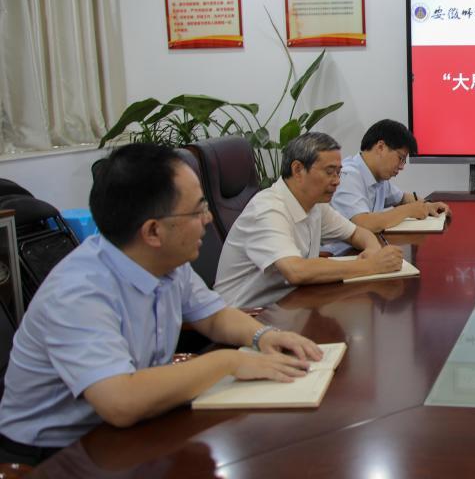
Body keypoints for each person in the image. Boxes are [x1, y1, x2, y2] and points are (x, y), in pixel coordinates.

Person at [0, 144, 322, 464]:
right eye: (197, 211)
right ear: (153, 231)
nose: (208, 218)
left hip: (125, 430)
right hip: (54, 454)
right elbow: (120, 402)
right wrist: (229, 362)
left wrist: (263, 336)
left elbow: (215, 317)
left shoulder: (165, 260)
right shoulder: (78, 292)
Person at [214, 132, 404, 309]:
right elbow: (296, 271)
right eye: (329, 172)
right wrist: (370, 266)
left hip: (289, 305)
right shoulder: (268, 210)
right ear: (298, 170)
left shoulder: (315, 204)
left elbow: (357, 233)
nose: (337, 181)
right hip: (247, 316)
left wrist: (372, 250)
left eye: (338, 172)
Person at [330, 119, 449, 233]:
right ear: (381, 147)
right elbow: (364, 223)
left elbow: (402, 198)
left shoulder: (378, 177)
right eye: (400, 158)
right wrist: (408, 210)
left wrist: (428, 205)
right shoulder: (347, 176)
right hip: (342, 248)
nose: (402, 167)